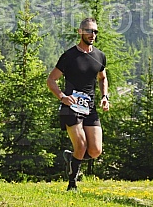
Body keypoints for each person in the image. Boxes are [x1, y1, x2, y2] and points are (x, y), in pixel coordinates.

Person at [46, 17, 109, 191]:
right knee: (80, 146)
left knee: (95, 151)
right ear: (80, 32)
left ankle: (71, 157)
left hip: (90, 108)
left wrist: (105, 96)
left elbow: (102, 78)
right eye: (89, 30)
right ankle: (72, 184)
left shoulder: (99, 56)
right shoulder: (69, 56)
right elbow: (51, 79)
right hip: (71, 107)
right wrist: (62, 97)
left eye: (95, 31)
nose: (92, 34)